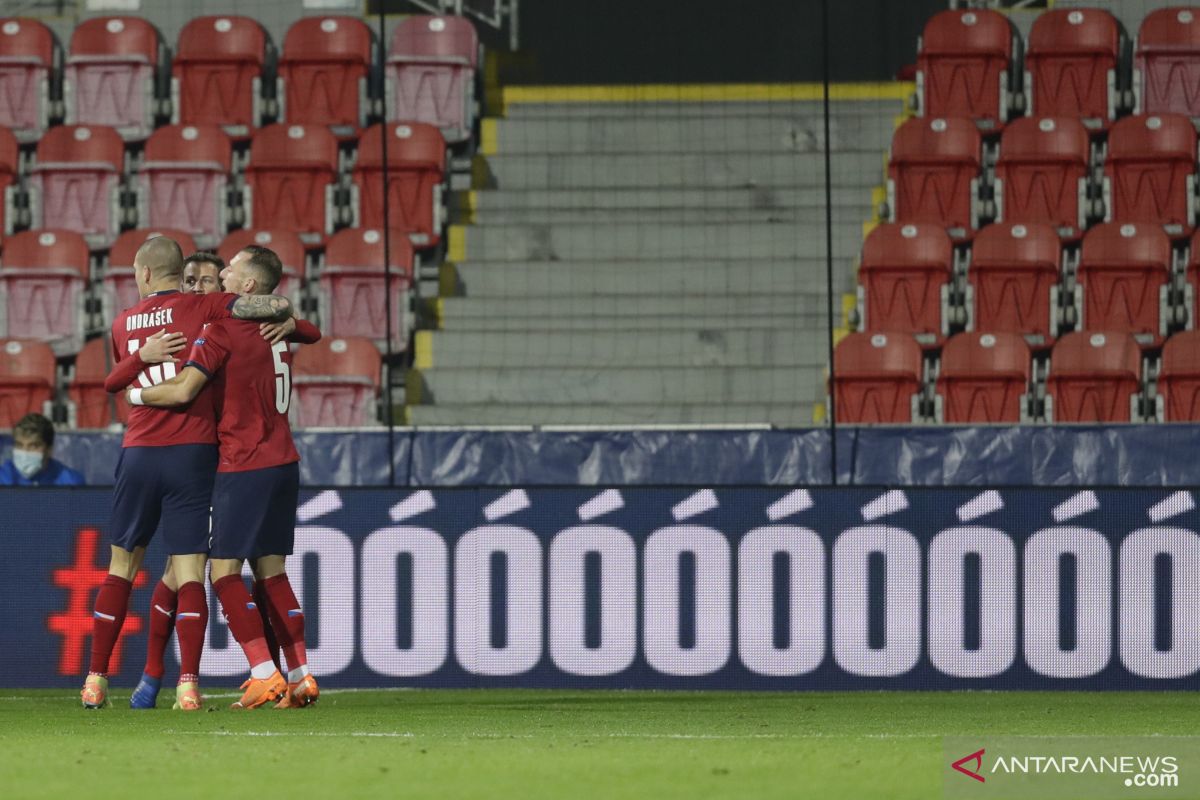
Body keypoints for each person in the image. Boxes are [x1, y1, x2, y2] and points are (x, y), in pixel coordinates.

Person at [80, 235, 294, 712]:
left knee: (122, 568)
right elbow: (274, 301)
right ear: (182, 274)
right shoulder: (207, 309)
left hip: (138, 451)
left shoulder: (123, 322)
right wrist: (288, 318)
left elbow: (113, 381)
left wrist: (141, 359)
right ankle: (189, 685)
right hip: (195, 453)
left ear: (145, 272)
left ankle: (95, 680)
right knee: (192, 571)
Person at [126, 245, 319, 710]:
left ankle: (262, 673)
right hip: (283, 461)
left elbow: (188, 387)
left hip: (241, 462)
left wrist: (134, 393)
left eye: (227, 272)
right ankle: (299, 676)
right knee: (271, 573)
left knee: (222, 573)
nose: (219, 279)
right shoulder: (277, 331)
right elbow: (307, 328)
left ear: (245, 286)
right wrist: (295, 323)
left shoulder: (224, 328)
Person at [0, 413, 85, 486]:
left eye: (33, 446)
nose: (24, 452)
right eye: (19, 445)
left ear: (49, 450)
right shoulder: (2, 478)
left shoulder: (71, 482)